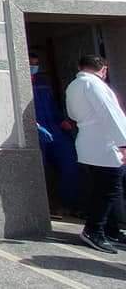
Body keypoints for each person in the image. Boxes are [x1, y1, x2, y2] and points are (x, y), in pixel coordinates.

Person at [65, 54, 126, 254]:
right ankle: (94, 230)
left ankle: (111, 230)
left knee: (103, 189)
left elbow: (72, 114)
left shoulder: (73, 85)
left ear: (80, 67)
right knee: (108, 190)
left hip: (87, 142)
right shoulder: (95, 85)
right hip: (104, 144)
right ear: (104, 69)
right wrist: (123, 143)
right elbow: (111, 114)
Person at [29, 53, 80, 215]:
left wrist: (62, 120)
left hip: (55, 128)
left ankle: (68, 205)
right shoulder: (18, 83)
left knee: (70, 164)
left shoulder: (43, 83)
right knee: (39, 169)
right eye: (30, 64)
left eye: (36, 64)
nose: (33, 67)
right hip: (35, 129)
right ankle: (44, 207)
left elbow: (53, 104)